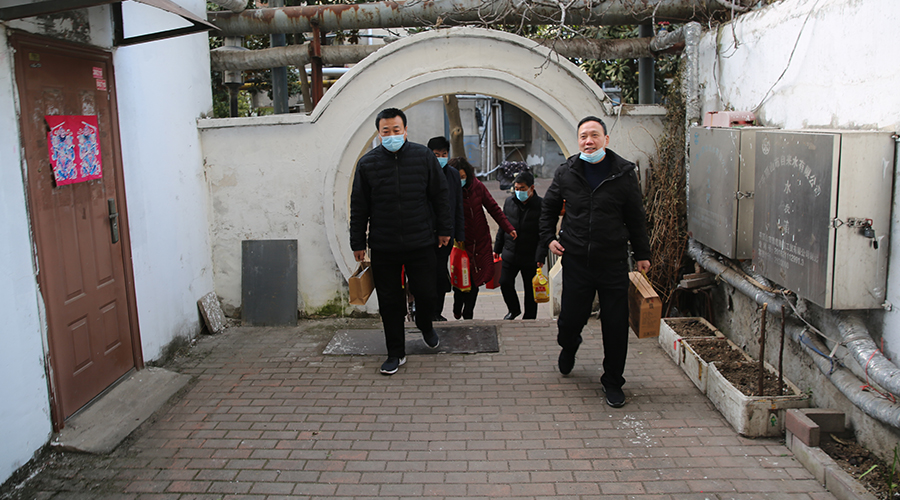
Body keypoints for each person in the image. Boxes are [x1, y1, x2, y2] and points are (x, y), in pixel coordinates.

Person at [538, 116, 651, 408]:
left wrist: (642, 254)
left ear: (606, 140)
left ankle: (613, 381)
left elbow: (636, 217)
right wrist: (548, 237)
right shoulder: (567, 172)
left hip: (612, 261)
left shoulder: (624, 173)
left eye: (594, 135)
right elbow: (548, 207)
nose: (589, 141)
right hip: (576, 261)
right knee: (570, 320)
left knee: (615, 326)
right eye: (583, 137)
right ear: (578, 142)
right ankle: (569, 344)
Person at [350, 108, 451, 375]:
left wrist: (444, 229)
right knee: (389, 301)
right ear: (379, 133)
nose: (392, 135)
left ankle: (425, 323)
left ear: (405, 130)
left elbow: (440, 195)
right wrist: (357, 242)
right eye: (386, 131)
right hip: (384, 244)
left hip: (421, 240)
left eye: (397, 130)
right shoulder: (367, 163)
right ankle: (395, 352)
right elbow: (359, 206)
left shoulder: (423, 156)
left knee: (428, 291)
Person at [450, 157, 516, 319]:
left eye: (464, 177)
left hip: (480, 241)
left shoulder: (478, 187)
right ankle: (457, 306)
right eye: (457, 177)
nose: (461, 181)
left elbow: (493, 208)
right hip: (461, 244)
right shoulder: (448, 191)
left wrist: (509, 228)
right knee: (460, 282)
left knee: (474, 281)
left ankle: (468, 313)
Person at [493, 170, 547, 320]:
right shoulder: (509, 202)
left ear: (531, 188)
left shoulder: (541, 205)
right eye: (516, 188)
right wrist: (497, 248)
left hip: (530, 255)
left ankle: (529, 317)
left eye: (522, 188)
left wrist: (541, 255)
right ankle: (513, 309)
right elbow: (502, 227)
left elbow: (544, 234)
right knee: (504, 283)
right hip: (510, 252)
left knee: (530, 289)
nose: (519, 192)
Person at [426, 136, 465, 321]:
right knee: (426, 274)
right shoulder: (423, 172)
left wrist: (459, 234)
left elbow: (458, 205)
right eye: (436, 154)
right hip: (424, 234)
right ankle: (423, 309)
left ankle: (436, 312)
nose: (440, 157)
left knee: (440, 273)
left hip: (446, 235)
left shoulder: (453, 174)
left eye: (444, 154)